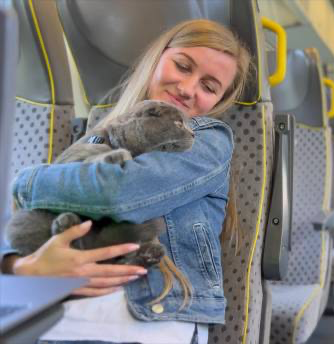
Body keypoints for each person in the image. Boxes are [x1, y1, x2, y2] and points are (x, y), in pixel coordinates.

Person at [1, 19, 251, 344]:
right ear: (156, 59)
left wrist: (24, 181)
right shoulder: (95, 134)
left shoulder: (208, 140)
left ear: (218, 101)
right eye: (182, 66)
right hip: (50, 315)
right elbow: (19, 221)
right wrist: (21, 266)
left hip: (147, 319)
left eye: (209, 86)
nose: (188, 89)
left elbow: (117, 194)